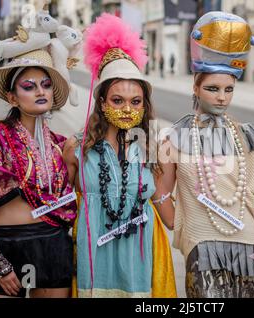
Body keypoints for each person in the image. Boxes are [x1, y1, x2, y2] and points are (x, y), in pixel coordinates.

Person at [155, 11, 254, 298]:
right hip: (203, 247)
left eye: (228, 90)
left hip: (251, 247)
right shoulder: (173, 138)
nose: (222, 97)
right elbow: (160, 193)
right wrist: (186, 227)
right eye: (212, 88)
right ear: (195, 86)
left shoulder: (246, 135)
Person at [63, 13, 176, 298]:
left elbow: (170, 216)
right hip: (93, 261)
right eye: (117, 100)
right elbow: (64, 209)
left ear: (144, 104)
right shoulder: (76, 148)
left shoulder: (156, 149)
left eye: (135, 101)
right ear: (101, 101)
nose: (127, 109)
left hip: (140, 263)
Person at [0, 47, 77, 297]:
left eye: (45, 84)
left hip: (52, 245)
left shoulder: (60, 145)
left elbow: (71, 199)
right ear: (12, 97)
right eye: (29, 86)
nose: (40, 91)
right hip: (5, 247)